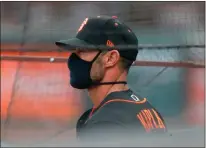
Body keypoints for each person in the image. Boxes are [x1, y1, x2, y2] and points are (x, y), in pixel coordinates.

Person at [55, 16, 167, 145]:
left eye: (83, 51)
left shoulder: (106, 124)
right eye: (75, 51)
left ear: (111, 58)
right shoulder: (146, 110)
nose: (73, 59)